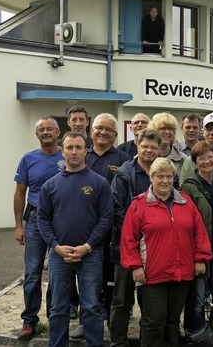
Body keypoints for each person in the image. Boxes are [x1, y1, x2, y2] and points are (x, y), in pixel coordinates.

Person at [121, 157, 213, 347]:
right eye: (160, 176)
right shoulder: (139, 205)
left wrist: (200, 259)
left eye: (169, 176)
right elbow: (128, 239)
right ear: (151, 177)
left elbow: (199, 232)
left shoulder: (185, 201)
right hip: (152, 273)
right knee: (154, 321)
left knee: (172, 321)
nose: (165, 181)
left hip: (182, 271)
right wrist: (135, 266)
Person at [37, 132, 114, 347]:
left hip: (91, 254)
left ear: (85, 150)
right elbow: (42, 219)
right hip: (59, 255)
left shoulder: (99, 183)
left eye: (78, 147)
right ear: (62, 151)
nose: (74, 151)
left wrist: (88, 246)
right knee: (58, 307)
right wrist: (56, 246)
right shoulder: (50, 185)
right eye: (69, 147)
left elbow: (106, 218)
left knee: (91, 306)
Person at [13, 116, 65, 340]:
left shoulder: (67, 154)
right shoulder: (28, 159)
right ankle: (29, 321)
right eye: (41, 130)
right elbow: (19, 193)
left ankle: (55, 317)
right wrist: (18, 226)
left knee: (57, 273)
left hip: (62, 221)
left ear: (58, 133)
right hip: (34, 220)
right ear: (37, 135)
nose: (45, 132)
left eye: (49, 129)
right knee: (32, 273)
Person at [110, 128, 163, 347]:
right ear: (137, 146)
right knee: (122, 299)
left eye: (153, 147)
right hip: (127, 247)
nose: (149, 150)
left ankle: (146, 341)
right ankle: (118, 342)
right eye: (145, 146)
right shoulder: (124, 173)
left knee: (150, 302)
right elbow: (116, 209)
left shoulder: (164, 172)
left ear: (159, 149)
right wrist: (139, 233)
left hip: (155, 249)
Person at [83, 113, 130, 336]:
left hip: (113, 232)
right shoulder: (82, 155)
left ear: (115, 135)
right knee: (89, 281)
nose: (103, 132)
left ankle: (114, 325)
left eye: (108, 129)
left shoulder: (122, 159)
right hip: (85, 230)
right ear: (92, 130)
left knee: (111, 280)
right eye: (99, 127)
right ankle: (88, 323)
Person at [180, 141, 213, 345]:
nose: (207, 161)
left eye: (210, 157)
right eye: (201, 158)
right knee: (197, 300)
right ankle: (196, 336)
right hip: (198, 253)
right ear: (195, 162)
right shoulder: (187, 188)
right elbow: (186, 225)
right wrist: (196, 254)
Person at [148, 112, 187, 177]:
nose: (167, 132)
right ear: (153, 131)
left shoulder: (183, 159)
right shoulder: (145, 157)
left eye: (171, 129)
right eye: (163, 128)